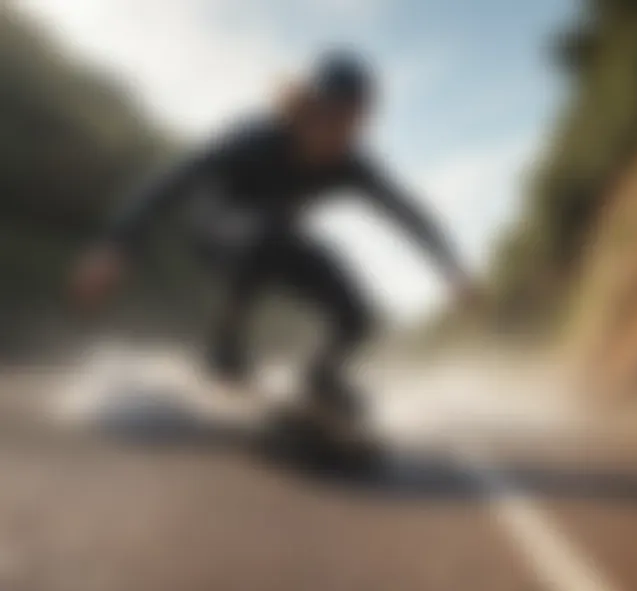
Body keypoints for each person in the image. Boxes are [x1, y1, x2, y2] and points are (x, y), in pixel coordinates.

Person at [71, 50, 472, 417]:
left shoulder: (350, 164)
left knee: (358, 313)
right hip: (215, 227)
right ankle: (225, 345)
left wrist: (451, 268)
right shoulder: (257, 138)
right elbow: (176, 179)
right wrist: (116, 246)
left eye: (354, 123)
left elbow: (406, 211)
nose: (341, 135)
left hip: (274, 241)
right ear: (309, 108)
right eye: (334, 118)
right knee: (267, 234)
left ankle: (320, 379)